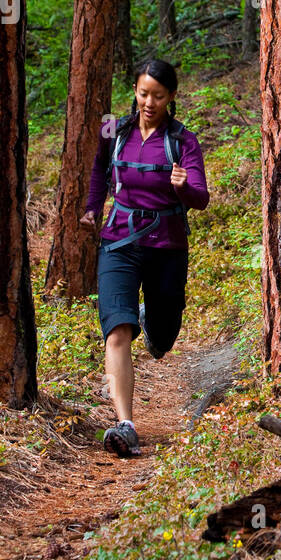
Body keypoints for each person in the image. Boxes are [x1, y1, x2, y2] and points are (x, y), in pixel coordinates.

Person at [81, 59, 209, 457]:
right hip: (119, 241)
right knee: (117, 331)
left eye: (157, 95)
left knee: (163, 336)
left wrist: (184, 187)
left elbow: (201, 199)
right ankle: (125, 423)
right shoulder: (114, 129)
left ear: (171, 97)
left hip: (166, 246)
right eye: (142, 93)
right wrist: (92, 207)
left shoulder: (183, 141)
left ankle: (150, 321)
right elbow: (100, 166)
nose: (148, 102)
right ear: (134, 91)